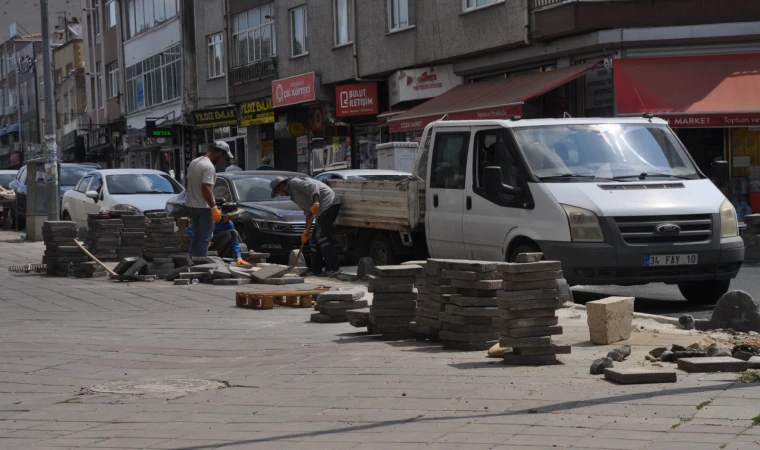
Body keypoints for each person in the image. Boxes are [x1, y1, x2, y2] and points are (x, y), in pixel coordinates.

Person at [270, 175, 341, 277]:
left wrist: (316, 201)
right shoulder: (294, 196)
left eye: (278, 192)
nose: (280, 195)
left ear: (281, 187)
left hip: (329, 203)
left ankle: (333, 268)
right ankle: (315, 269)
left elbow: (313, 187)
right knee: (314, 239)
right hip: (322, 209)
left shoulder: (294, 182)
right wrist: (306, 231)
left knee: (322, 237)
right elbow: (308, 212)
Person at [186, 141, 233, 257]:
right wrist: (213, 207)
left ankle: (191, 262)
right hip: (204, 207)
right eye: (222, 157)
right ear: (218, 153)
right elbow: (206, 188)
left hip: (193, 205)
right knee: (205, 238)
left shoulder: (194, 162)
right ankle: (200, 265)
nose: (221, 160)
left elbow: (187, 184)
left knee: (196, 236)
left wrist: (192, 197)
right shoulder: (208, 166)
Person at [185, 202, 251, 265]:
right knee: (227, 235)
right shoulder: (214, 220)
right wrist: (203, 240)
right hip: (207, 244)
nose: (236, 216)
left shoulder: (230, 224)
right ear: (229, 214)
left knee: (233, 233)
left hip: (217, 245)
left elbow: (235, 242)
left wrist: (238, 257)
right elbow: (188, 229)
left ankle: (221, 255)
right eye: (234, 214)